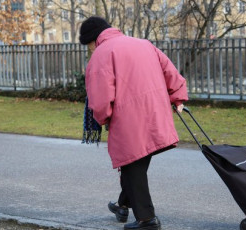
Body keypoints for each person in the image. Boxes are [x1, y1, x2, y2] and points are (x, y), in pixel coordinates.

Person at [79, 16, 188, 230]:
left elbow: (100, 98)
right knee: (136, 162)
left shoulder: (102, 54)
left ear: (92, 40)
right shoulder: (143, 44)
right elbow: (170, 73)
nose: (90, 50)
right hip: (156, 113)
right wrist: (178, 97)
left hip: (128, 118)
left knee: (131, 165)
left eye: (88, 46)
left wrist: (104, 118)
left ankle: (147, 220)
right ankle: (122, 204)